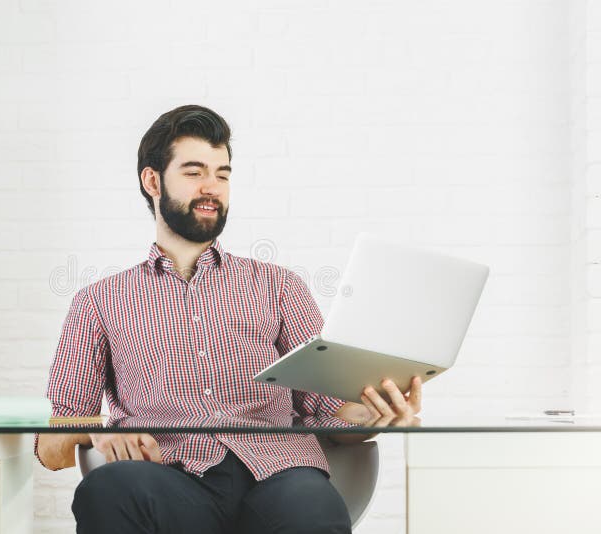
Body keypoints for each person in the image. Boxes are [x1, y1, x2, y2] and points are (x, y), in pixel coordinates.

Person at [34, 104, 422, 534]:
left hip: (280, 475)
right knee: (105, 489)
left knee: (313, 506)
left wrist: (376, 414)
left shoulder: (279, 286)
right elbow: (51, 449)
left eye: (222, 174)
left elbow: (327, 410)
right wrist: (96, 433)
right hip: (170, 479)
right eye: (194, 172)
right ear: (152, 181)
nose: (211, 188)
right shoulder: (98, 302)